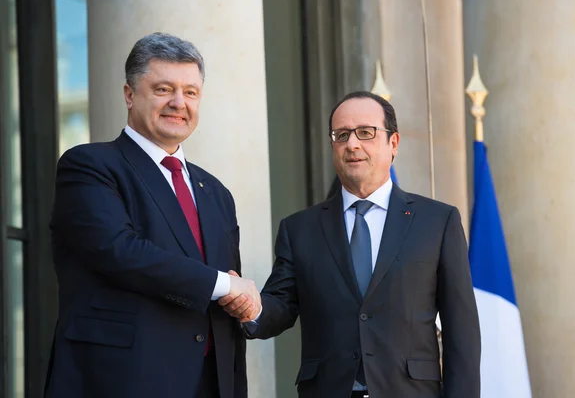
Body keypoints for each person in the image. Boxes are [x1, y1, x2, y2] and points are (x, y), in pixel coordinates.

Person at [220, 91, 481, 398]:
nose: (352, 144)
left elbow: (461, 331)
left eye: (366, 133)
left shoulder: (438, 221)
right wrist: (251, 307)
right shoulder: (300, 229)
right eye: (341, 135)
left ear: (393, 143)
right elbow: (280, 306)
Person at [44, 32, 259, 398]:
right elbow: (120, 251)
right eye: (163, 89)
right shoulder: (90, 166)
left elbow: (219, 286)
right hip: (122, 380)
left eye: (190, 92)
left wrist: (241, 298)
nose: (179, 102)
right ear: (130, 95)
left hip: (212, 382)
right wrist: (226, 284)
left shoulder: (216, 193)